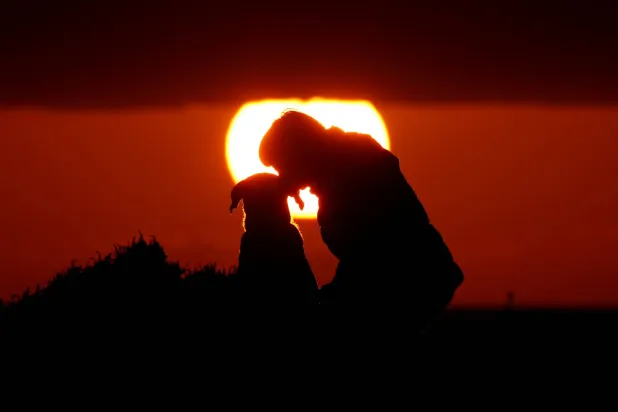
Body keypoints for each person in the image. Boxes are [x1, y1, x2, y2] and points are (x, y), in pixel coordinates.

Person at [259, 110, 464, 332]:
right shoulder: (337, 168)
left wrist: (328, 299)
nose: (284, 176)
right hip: (410, 279)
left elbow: (369, 257)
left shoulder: (351, 171)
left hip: (415, 281)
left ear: (298, 154)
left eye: (283, 167)